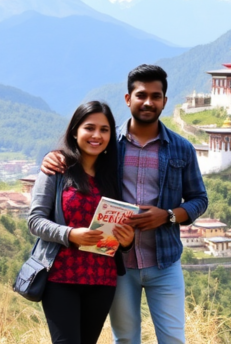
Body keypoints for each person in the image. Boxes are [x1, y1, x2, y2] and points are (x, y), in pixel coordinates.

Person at [42, 64, 208, 344]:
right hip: (116, 264)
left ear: (165, 102)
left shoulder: (182, 148)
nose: (148, 102)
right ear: (128, 99)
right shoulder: (108, 146)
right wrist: (54, 157)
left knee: (173, 340)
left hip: (164, 261)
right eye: (141, 95)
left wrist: (167, 216)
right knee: (126, 340)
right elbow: (80, 156)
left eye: (156, 96)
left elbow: (199, 200)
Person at [27, 100, 135, 344]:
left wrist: (127, 242)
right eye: (89, 128)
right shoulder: (57, 168)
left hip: (102, 280)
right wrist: (70, 234)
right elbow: (35, 221)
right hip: (60, 277)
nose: (96, 135)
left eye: (104, 130)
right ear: (75, 131)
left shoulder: (113, 177)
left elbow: (116, 230)